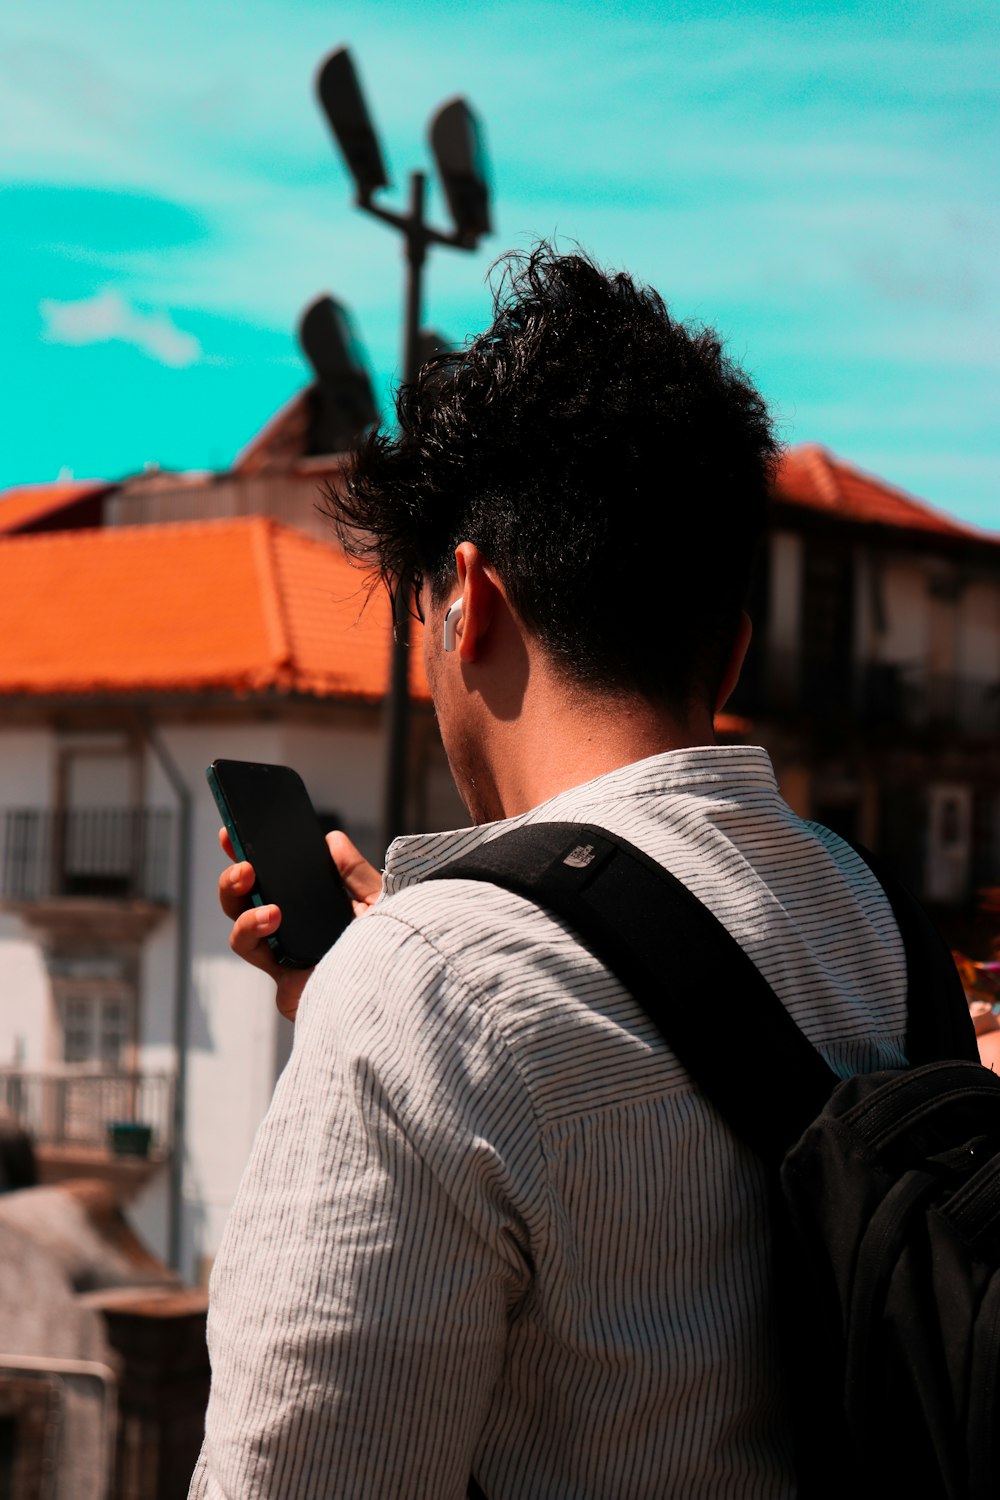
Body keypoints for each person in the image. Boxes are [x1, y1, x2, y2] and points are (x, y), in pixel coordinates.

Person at [189, 247, 909, 1499]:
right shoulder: (864, 912)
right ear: (729, 653)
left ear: (465, 598)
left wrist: (389, 998)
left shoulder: (424, 992)